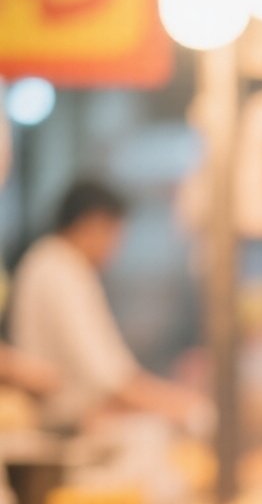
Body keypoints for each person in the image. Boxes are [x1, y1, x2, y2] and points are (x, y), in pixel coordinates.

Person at [10, 182, 203, 430]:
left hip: (67, 425)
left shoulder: (57, 264)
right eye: (115, 234)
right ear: (92, 224)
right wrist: (185, 408)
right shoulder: (58, 269)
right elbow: (106, 377)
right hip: (59, 430)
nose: (116, 247)